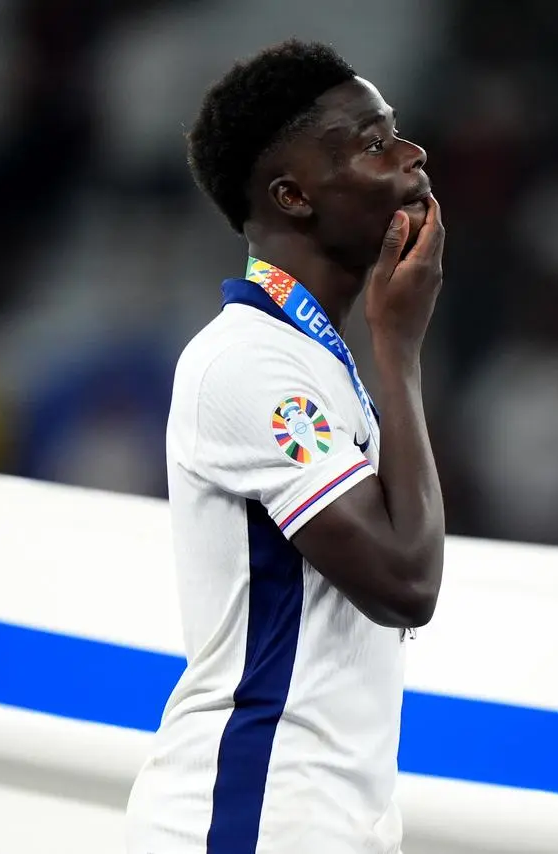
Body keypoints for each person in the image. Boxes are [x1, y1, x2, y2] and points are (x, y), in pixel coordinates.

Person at [124, 39, 445, 854]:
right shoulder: (250, 362)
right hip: (253, 809)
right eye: (371, 143)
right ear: (294, 196)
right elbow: (405, 582)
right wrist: (400, 355)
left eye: (396, 131)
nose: (411, 155)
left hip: (314, 810)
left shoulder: (311, 361)